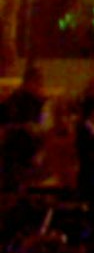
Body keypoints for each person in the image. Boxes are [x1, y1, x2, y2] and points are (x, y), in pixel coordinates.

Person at [0, 65, 42, 197]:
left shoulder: (35, 101)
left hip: (28, 152)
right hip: (16, 154)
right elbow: (6, 126)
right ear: (30, 81)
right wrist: (25, 127)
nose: (40, 87)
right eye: (38, 82)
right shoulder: (15, 101)